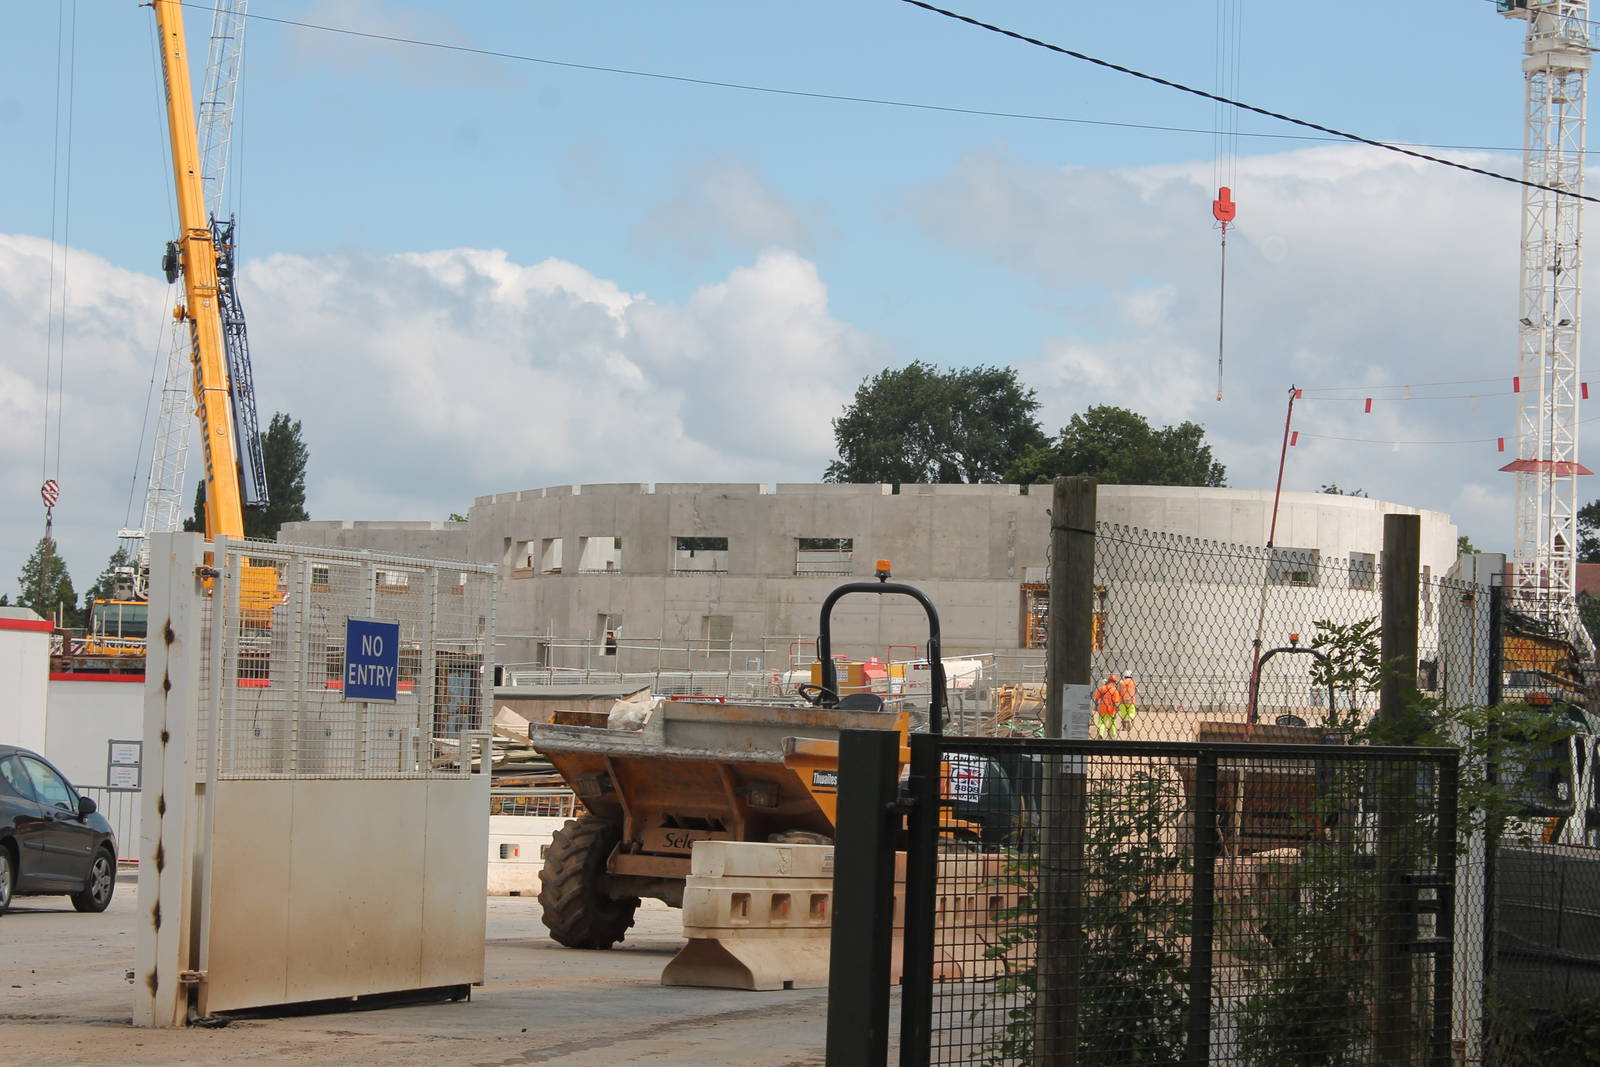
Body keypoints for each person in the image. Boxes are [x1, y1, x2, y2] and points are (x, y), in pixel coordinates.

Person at [1093, 672, 1122, 739]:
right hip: (1111, 710)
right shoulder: (1115, 691)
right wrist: (1117, 711)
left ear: (1108, 680)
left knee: (1102, 723)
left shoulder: (1102, 688)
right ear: (1114, 682)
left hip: (1102, 709)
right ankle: (1113, 736)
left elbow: (1097, 698)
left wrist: (1096, 706)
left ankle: (1100, 733)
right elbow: (1116, 703)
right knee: (1112, 724)